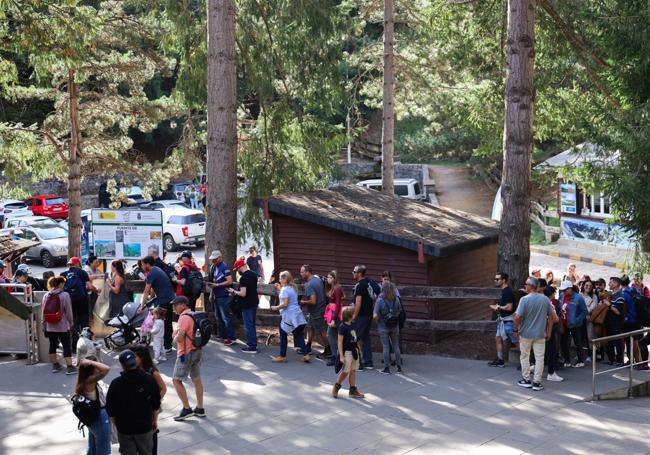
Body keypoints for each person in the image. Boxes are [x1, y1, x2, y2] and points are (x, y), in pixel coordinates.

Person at [106, 349, 161, 455]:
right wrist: (154, 420)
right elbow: (156, 404)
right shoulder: (149, 379)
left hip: (125, 429)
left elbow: (111, 411)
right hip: (144, 427)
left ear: (122, 365)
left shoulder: (115, 384)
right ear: (135, 362)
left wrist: (118, 425)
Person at [514, 277, 555, 391]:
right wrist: (549, 331)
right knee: (539, 358)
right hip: (540, 334)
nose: (525, 286)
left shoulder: (524, 300)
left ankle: (526, 379)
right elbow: (551, 317)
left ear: (530, 286)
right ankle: (537, 382)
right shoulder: (545, 299)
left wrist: (515, 330)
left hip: (526, 333)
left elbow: (517, 317)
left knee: (525, 356)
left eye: (526, 284)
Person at [171, 296, 205, 421]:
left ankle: (186, 409)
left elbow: (179, 338)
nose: (174, 307)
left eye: (176, 305)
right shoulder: (194, 314)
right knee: (196, 379)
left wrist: (174, 336)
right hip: (197, 350)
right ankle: (200, 408)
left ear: (183, 305)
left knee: (176, 380)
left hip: (186, 352)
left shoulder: (184, 317)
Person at [131, 345, 166, 455]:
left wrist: (154, 400)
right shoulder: (133, 370)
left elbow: (163, 388)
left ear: (142, 358)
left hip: (150, 408)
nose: (132, 360)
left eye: (134, 357)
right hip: (137, 408)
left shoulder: (152, 372)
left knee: (150, 431)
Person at [271, 271, 310, 363]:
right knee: (298, 334)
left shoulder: (285, 290)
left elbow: (285, 303)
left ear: (284, 279)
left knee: (283, 335)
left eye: (280, 278)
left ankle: (282, 356)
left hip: (287, 315)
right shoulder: (292, 288)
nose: (279, 280)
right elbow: (286, 296)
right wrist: (279, 288)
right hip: (296, 314)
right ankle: (306, 354)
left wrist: (276, 307)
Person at [75, 357, 111, 455]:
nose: (98, 366)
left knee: (92, 448)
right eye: (96, 364)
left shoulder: (83, 381)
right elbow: (106, 369)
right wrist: (91, 362)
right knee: (103, 450)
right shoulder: (89, 381)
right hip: (99, 418)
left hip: (93, 419)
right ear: (91, 369)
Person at [140, 256, 176, 353]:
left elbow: (146, 290)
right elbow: (153, 289)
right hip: (169, 298)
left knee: (152, 320)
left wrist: (142, 306)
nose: (142, 266)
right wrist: (151, 299)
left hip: (163, 301)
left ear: (147, 264)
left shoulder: (151, 273)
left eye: (143, 264)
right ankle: (168, 345)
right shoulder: (157, 269)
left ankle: (145, 340)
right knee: (167, 323)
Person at [42, 276, 76, 374]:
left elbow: (43, 310)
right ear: (60, 284)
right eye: (63, 283)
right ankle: (69, 367)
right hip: (62, 325)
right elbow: (68, 310)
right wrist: (71, 321)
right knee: (66, 344)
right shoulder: (65, 295)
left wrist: (44, 323)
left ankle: (55, 366)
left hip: (50, 325)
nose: (64, 285)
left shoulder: (46, 295)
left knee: (52, 344)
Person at [332, 306, 365, 399]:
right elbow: (339, 342)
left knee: (353, 370)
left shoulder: (353, 324)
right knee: (346, 371)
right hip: (347, 352)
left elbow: (355, 339)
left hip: (354, 351)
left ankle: (353, 390)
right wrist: (341, 356)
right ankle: (336, 386)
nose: (355, 314)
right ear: (349, 315)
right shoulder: (342, 327)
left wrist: (359, 349)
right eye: (353, 313)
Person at [61, 257, 92, 355]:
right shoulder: (82, 273)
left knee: (73, 324)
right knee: (85, 325)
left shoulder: (63, 274)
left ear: (69, 265)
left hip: (70, 303)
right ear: (78, 264)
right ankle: (87, 346)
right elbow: (89, 286)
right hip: (83, 302)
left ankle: (75, 347)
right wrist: (94, 291)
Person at [228, 258, 259, 353]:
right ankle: (253, 343)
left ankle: (252, 346)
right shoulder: (254, 274)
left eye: (237, 269)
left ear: (240, 268)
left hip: (247, 304)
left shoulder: (243, 278)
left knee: (248, 325)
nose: (237, 271)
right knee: (252, 324)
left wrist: (233, 291)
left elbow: (243, 293)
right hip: (254, 302)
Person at [299, 264, 330, 358]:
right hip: (318, 309)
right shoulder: (317, 279)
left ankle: (329, 350)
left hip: (317, 311)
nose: (300, 273)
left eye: (302, 272)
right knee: (310, 327)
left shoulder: (310, 284)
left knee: (322, 331)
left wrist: (303, 302)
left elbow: (313, 301)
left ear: (308, 272)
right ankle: (308, 347)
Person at [488, 272, 517, 367]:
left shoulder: (507, 292)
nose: (495, 281)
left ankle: (530, 362)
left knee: (517, 342)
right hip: (503, 321)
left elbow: (509, 307)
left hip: (509, 322)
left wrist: (498, 307)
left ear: (503, 280)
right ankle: (500, 360)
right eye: (495, 279)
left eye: (497, 279)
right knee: (498, 338)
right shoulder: (503, 291)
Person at [373, 282, 403, 375]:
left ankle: (386, 368)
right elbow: (399, 311)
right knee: (396, 346)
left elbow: (375, 315)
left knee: (386, 347)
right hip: (394, 326)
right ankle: (399, 367)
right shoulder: (396, 299)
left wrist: (378, 319)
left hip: (383, 326)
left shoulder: (380, 300)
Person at [206, 250, 234, 345]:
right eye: (212, 260)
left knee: (226, 317)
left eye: (215, 259)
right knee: (218, 316)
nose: (213, 261)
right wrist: (211, 293)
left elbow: (229, 281)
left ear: (220, 258)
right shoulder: (214, 267)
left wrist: (217, 285)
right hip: (216, 295)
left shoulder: (224, 267)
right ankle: (223, 334)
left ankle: (231, 337)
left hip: (224, 295)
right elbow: (214, 281)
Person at [351, 265, 376, 370]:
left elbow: (358, 303)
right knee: (366, 338)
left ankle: (358, 363)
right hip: (369, 315)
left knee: (354, 338)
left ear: (359, 273)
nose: (352, 273)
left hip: (361, 316)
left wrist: (353, 316)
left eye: (354, 271)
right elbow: (373, 297)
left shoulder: (360, 286)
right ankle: (369, 362)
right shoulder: (368, 284)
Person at [558, 280, 588, 367]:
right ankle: (567, 360)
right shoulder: (561, 296)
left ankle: (580, 360)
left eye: (565, 289)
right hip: (564, 324)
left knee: (577, 342)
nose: (563, 291)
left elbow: (584, 311)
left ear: (570, 289)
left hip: (575, 325)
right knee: (564, 342)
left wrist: (577, 320)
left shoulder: (578, 298)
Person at [621, 275, 643, 366]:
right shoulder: (635, 290)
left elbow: (624, 308)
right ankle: (639, 362)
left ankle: (632, 362)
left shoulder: (623, 293)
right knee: (635, 342)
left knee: (628, 342)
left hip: (628, 321)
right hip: (637, 320)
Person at [543, 285, 563, 382]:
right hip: (548, 331)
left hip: (538, 330)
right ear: (552, 294)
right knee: (552, 351)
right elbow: (555, 318)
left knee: (540, 352)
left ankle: (534, 369)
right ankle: (551, 373)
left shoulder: (540, 302)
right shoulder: (549, 304)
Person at [324, 271, 344, 367]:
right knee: (334, 335)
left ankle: (337, 356)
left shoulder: (337, 289)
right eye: (328, 277)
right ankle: (337, 356)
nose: (328, 279)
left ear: (334, 279)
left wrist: (333, 319)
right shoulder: (332, 288)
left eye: (330, 278)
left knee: (331, 335)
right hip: (332, 313)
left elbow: (338, 305)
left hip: (335, 315)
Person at [605, 277, 626, 366]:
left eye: (611, 282)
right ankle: (611, 359)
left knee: (617, 341)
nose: (609, 284)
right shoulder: (610, 294)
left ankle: (619, 361)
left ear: (616, 284)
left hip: (616, 323)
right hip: (609, 322)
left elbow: (618, 312)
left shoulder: (620, 296)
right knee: (609, 340)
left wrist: (609, 305)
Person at [580, 280, 598, 363]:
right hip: (579, 319)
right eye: (586, 285)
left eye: (590, 286)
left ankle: (590, 355)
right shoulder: (579, 295)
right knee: (579, 337)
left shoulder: (594, 296)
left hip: (589, 319)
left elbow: (593, 308)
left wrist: (584, 309)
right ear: (583, 286)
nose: (588, 287)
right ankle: (579, 355)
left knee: (590, 337)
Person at [85, 255, 104, 324]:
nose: (98, 264)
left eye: (98, 262)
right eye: (96, 262)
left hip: (97, 292)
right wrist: (99, 276)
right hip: (89, 293)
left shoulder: (97, 269)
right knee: (90, 311)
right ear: (91, 263)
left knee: (96, 310)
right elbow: (88, 278)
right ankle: (91, 326)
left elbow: (103, 276)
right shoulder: (86, 269)